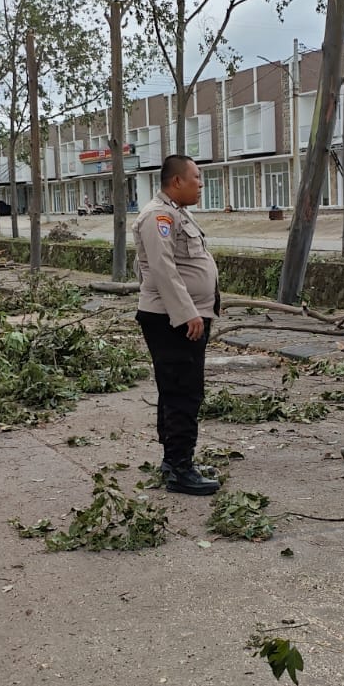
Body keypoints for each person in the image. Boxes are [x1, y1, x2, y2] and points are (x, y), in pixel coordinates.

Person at [133, 154, 221, 495]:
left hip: (182, 315)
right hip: (172, 320)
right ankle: (181, 468)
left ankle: (174, 460)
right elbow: (161, 268)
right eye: (196, 177)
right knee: (183, 391)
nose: (201, 184)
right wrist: (185, 313)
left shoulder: (177, 213)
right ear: (177, 181)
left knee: (178, 389)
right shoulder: (158, 216)